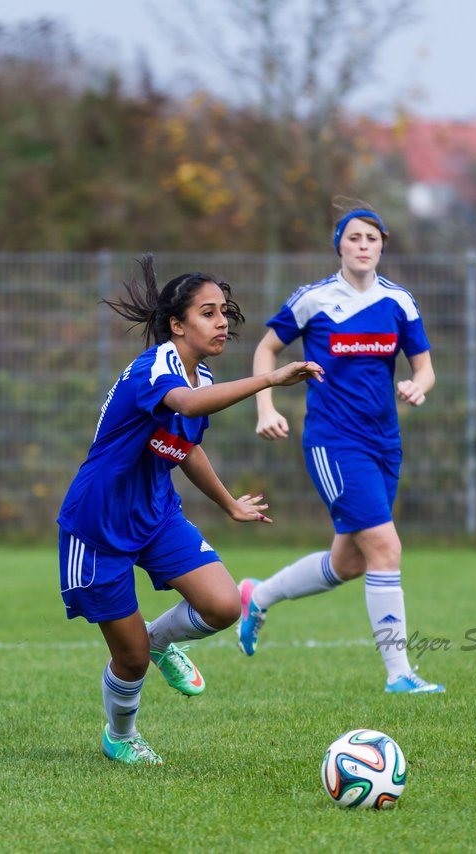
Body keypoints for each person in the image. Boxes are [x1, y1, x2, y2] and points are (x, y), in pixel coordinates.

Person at [58, 254, 323, 765]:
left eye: (224, 311)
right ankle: (121, 735)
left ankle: (159, 641)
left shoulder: (200, 376)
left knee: (224, 606)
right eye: (208, 312)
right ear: (177, 325)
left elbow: (185, 446)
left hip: (156, 514)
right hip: (98, 524)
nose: (222, 321)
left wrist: (228, 504)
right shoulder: (156, 369)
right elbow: (188, 407)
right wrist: (268, 380)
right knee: (129, 659)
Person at [236, 204, 445, 694]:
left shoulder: (400, 302)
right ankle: (400, 675)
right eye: (354, 237)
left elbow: (426, 366)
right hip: (333, 442)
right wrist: (265, 408)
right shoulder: (313, 300)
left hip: (384, 443)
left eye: (372, 238)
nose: (364, 245)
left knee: (350, 563)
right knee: (386, 548)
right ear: (340, 245)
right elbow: (267, 349)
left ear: (382, 246)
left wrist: (420, 385)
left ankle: (257, 596)